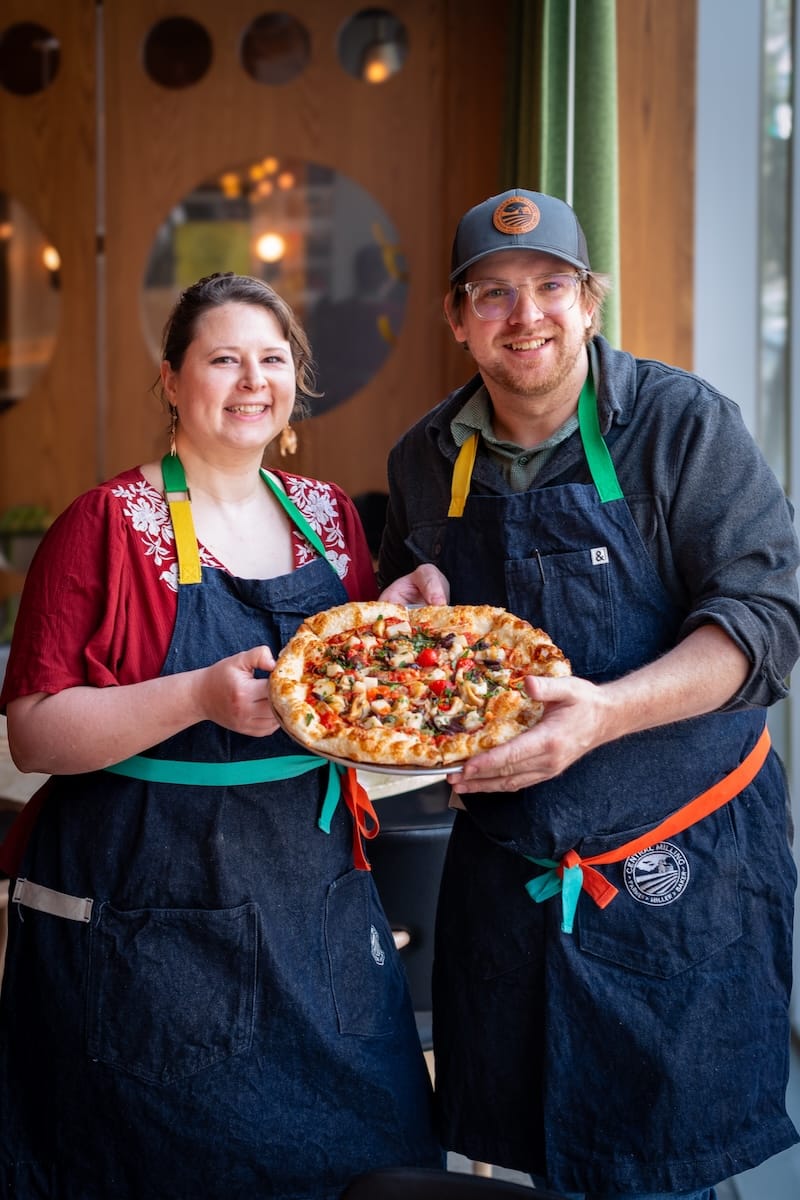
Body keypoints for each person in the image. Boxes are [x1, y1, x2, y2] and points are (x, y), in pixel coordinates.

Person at [376, 189, 800, 1199]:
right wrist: (406, 612)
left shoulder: (681, 424)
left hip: (677, 868)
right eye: (492, 293)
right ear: (456, 318)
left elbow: (767, 620)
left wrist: (604, 714)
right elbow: (410, 651)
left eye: (550, 286)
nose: (524, 315)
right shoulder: (424, 458)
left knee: (666, 1166)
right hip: (509, 880)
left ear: (590, 301)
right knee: (540, 1159)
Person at [0, 272, 442, 1199]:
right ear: (171, 379)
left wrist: (394, 625)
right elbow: (35, 732)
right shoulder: (106, 526)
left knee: (373, 1157)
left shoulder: (331, 519)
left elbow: (351, 699)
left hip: (315, 902)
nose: (252, 382)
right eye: (223, 359)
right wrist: (197, 696)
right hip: (153, 909)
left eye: (272, 359)